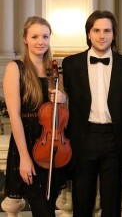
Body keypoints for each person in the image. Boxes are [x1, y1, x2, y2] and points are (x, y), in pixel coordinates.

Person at [62, 10, 122, 217]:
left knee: (112, 205)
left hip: (115, 140)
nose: (102, 35)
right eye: (96, 30)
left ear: (114, 34)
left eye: (107, 30)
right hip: (82, 139)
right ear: (88, 33)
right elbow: (64, 103)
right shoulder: (70, 64)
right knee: (81, 203)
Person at [3, 16, 70, 217]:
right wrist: (24, 157)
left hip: (53, 146)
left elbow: (64, 108)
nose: (40, 41)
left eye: (45, 36)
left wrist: (63, 97)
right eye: (34, 36)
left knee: (48, 207)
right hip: (29, 145)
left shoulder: (54, 70)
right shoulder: (16, 68)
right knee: (42, 209)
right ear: (25, 39)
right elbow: (15, 116)